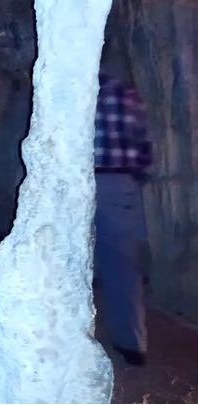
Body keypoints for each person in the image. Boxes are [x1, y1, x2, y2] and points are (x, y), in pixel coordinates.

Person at [94, 71, 153, 366]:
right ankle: (132, 343)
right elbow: (144, 146)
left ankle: (66, 333)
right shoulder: (128, 95)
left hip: (82, 181)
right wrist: (137, 174)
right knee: (122, 263)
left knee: (66, 253)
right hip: (120, 182)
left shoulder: (80, 90)